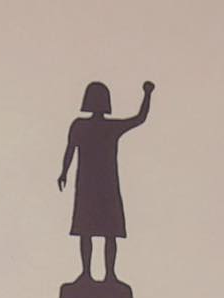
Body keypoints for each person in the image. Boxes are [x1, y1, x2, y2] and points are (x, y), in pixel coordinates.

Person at [57, 79, 153, 284]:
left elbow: (139, 118)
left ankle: (108, 274)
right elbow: (70, 150)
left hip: (103, 185)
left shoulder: (99, 127)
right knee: (89, 230)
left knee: (106, 231)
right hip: (92, 185)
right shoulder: (83, 126)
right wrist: (63, 171)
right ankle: (89, 273)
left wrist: (147, 94)